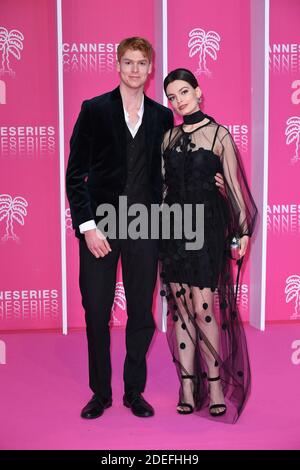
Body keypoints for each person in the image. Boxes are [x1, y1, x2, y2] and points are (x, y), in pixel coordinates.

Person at [66, 38, 224, 420]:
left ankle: (133, 391)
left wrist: (213, 182)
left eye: (142, 63)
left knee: (141, 312)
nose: (135, 69)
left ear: (150, 68)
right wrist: (87, 226)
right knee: (96, 310)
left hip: (146, 228)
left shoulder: (160, 117)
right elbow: (75, 176)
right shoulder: (94, 110)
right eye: (128, 62)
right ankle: (100, 393)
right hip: (100, 228)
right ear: (117, 66)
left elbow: (175, 170)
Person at [159, 68, 257, 423]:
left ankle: (214, 386)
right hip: (172, 229)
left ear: (199, 92)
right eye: (172, 96)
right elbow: (163, 188)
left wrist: (242, 233)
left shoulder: (219, 135)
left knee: (203, 309)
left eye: (184, 92)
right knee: (181, 309)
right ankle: (187, 386)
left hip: (207, 228)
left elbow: (233, 187)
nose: (179, 100)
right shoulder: (167, 138)